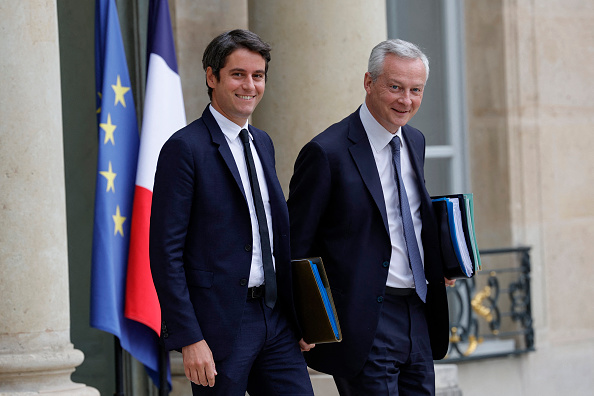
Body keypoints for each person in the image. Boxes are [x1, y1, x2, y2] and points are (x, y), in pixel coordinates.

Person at [150, 29, 314, 396]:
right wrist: (190, 337)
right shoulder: (184, 149)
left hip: (276, 319)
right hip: (219, 327)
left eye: (258, 76)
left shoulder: (263, 142)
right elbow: (165, 253)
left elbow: (277, 236)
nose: (250, 86)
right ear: (212, 77)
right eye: (238, 74)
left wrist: (300, 315)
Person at [287, 38, 454, 395]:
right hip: (363, 321)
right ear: (368, 82)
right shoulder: (325, 152)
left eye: (415, 90)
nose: (405, 100)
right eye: (395, 87)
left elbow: (410, 216)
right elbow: (295, 243)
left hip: (418, 313)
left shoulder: (415, 140)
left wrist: (440, 261)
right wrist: (302, 319)